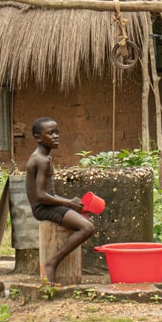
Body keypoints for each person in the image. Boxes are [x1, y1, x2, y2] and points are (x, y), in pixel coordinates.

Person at [25, 117, 94, 284]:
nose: (56, 136)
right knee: (87, 227)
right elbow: (41, 195)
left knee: (86, 221)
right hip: (42, 208)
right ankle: (51, 264)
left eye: (57, 132)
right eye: (50, 133)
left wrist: (69, 202)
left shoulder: (43, 157)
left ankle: (53, 265)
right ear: (38, 138)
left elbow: (48, 193)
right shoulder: (41, 160)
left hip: (46, 204)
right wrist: (68, 203)